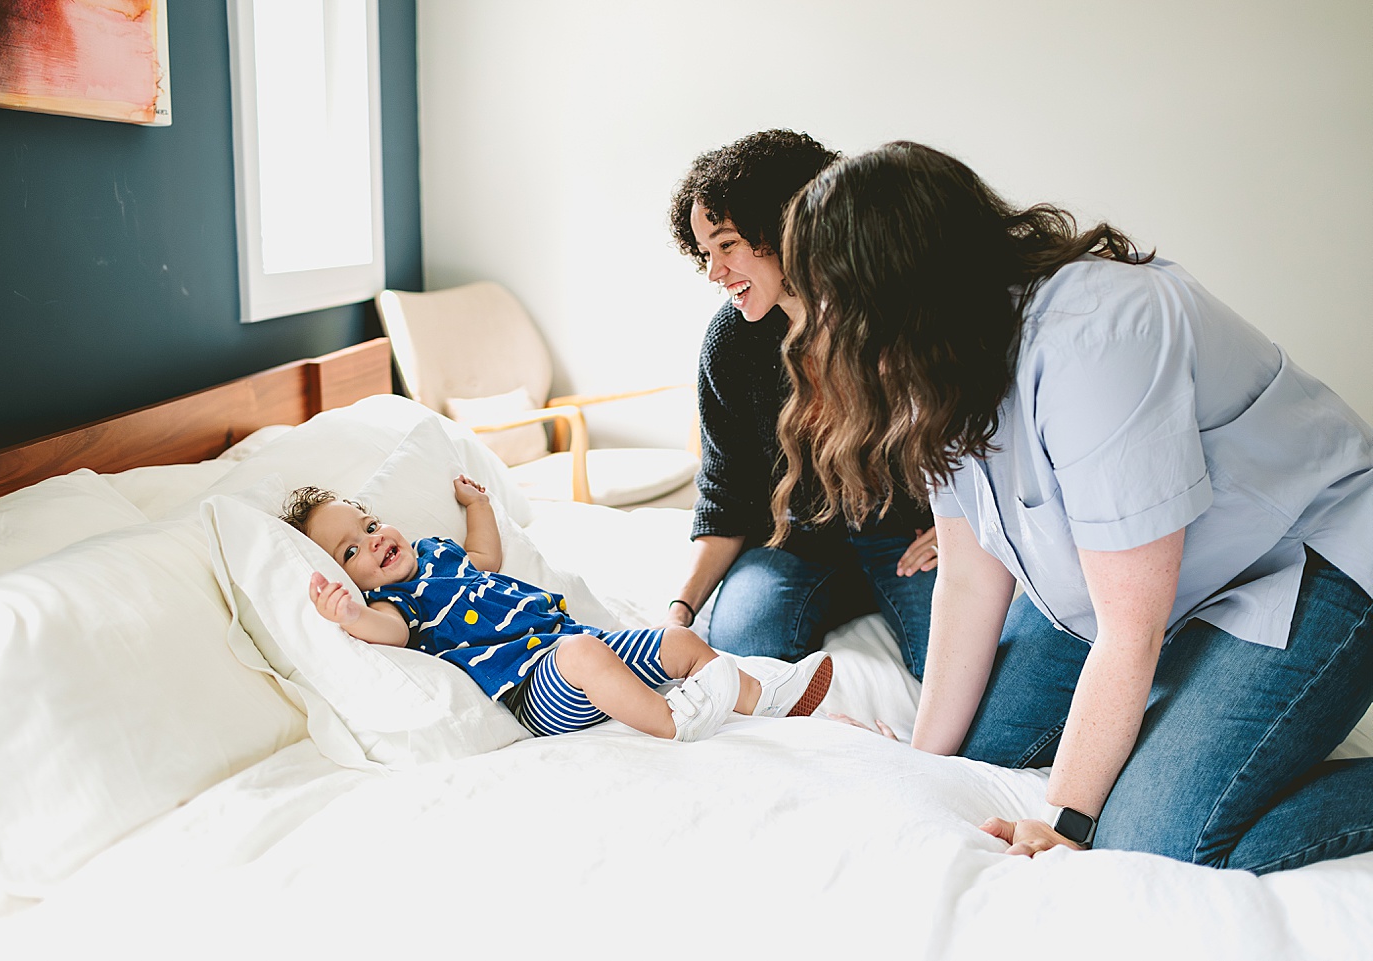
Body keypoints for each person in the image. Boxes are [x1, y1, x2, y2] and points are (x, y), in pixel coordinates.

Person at [775, 140, 1373, 874]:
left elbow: (1132, 623)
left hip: (1306, 561)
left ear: (898, 289)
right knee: (985, 747)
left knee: (1152, 839)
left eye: (829, 299)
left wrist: (1065, 822)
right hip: (1154, 585)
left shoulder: (1095, 334)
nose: (817, 325)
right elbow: (968, 575)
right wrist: (924, 762)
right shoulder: (933, 363)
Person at [665, 129, 939, 669]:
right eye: (705, 254)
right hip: (791, 543)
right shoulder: (731, 343)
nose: (715, 273)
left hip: (903, 539)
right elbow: (727, 493)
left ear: (784, 228)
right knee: (744, 658)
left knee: (964, 670)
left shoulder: (891, 316)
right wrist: (680, 611)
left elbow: (979, 436)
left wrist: (965, 531)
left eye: (727, 245)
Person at [279, 476, 833, 743]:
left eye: (370, 526)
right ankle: (673, 722)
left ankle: (764, 699)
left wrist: (478, 505)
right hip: (535, 686)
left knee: (675, 641)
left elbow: (485, 559)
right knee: (583, 651)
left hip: (573, 643)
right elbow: (390, 635)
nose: (373, 541)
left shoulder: (436, 554)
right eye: (351, 551)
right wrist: (350, 615)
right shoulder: (394, 602)